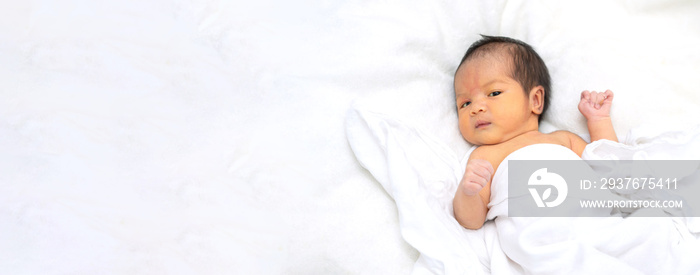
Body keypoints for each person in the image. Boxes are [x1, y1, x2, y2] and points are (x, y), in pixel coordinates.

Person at [452, 35, 618, 229]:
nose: (476, 108)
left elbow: (612, 171)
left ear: (535, 100)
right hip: (536, 234)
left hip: (596, 223)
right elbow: (472, 221)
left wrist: (599, 121)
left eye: (494, 93)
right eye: (465, 103)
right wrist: (468, 193)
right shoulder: (484, 157)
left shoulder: (563, 140)